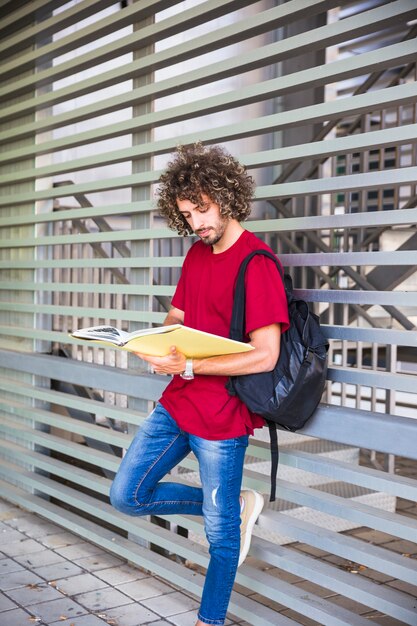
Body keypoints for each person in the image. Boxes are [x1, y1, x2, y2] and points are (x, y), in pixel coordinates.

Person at [110, 143, 289, 626]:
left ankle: (209, 620)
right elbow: (177, 316)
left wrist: (189, 367)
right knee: (127, 496)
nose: (196, 223)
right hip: (177, 404)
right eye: (187, 214)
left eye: (202, 210)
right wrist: (154, 345)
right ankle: (234, 505)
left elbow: (265, 354)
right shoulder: (196, 254)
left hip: (222, 417)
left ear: (228, 198)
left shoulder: (258, 264)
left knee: (220, 534)